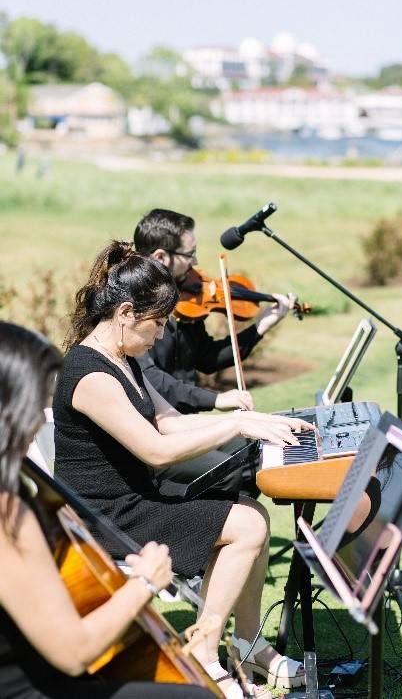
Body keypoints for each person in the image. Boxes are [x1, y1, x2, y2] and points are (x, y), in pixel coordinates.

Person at [53, 241, 310, 697]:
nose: (160, 336)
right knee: (247, 524)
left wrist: (250, 423)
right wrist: (235, 421)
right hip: (105, 515)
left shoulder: (122, 359)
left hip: (132, 499)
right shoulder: (89, 374)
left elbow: (169, 421)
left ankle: (247, 643)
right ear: (126, 312)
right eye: (157, 324)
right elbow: (154, 450)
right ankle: (205, 656)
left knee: (252, 513)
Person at [0, 321, 215, 699]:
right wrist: (144, 583)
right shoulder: (7, 514)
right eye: (34, 405)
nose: (37, 420)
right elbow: (74, 652)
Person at [133, 208, 296, 498]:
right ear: (160, 258)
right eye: (189, 255)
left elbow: (208, 359)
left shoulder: (188, 303)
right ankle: (218, 532)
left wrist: (263, 324)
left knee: (255, 450)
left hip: (189, 423)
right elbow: (152, 378)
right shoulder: (137, 310)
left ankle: (239, 531)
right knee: (228, 468)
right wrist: (216, 399)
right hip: (157, 432)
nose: (196, 263)